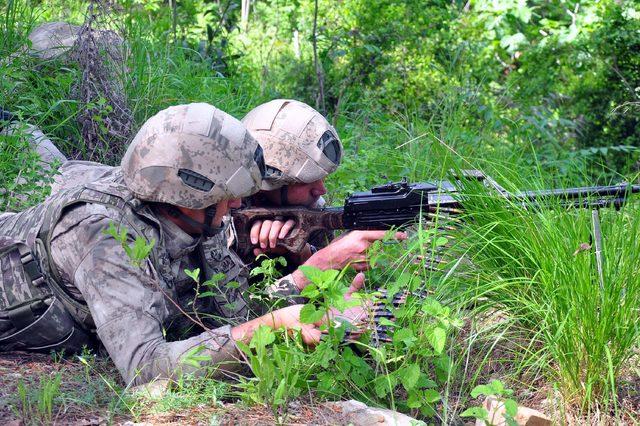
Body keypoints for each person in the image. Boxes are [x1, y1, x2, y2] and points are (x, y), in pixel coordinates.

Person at [0, 103, 403, 386]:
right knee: (29, 152)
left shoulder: (196, 221)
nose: (238, 205)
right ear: (189, 196)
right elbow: (145, 368)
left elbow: (234, 310)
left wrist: (311, 296)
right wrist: (274, 328)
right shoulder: (102, 237)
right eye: (227, 196)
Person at [230, 99, 342, 269]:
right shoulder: (216, 217)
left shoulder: (311, 210)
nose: (321, 190)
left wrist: (302, 253)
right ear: (266, 183)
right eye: (305, 181)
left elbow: (329, 282)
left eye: (321, 178)